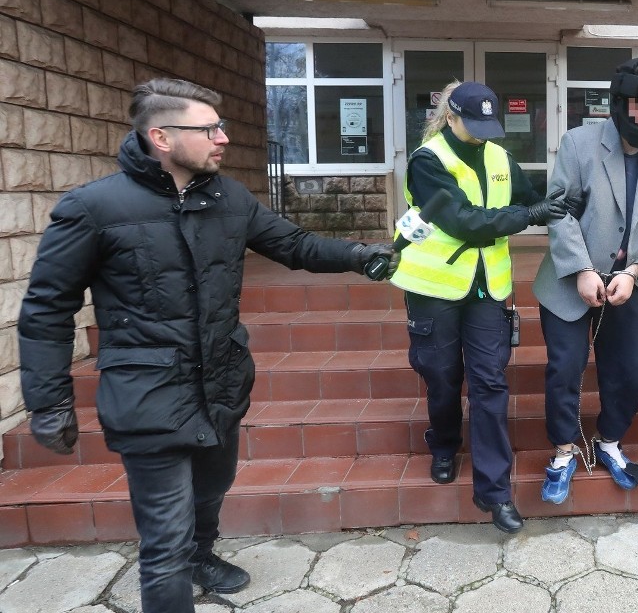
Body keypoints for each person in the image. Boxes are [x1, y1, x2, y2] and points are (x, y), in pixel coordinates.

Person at [17, 78, 398, 613]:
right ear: (162, 137)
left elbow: (292, 245)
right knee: (163, 541)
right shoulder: (93, 207)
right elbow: (46, 307)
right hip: (147, 392)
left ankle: (204, 555)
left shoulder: (229, 197)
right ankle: (181, 568)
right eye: (209, 128)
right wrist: (49, 399)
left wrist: (361, 255)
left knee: (211, 489)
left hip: (220, 381)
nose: (222, 138)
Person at [390, 80, 575, 533]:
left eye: (488, 125)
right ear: (449, 117)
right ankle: (445, 444)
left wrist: (566, 202)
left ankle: (495, 494)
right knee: (442, 376)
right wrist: (529, 216)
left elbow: (533, 198)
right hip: (433, 287)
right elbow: (464, 222)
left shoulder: (498, 157)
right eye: (473, 125)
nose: (483, 134)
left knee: (490, 382)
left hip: (486, 290)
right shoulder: (427, 162)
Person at [532, 55, 638, 504]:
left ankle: (610, 441)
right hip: (567, 281)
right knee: (564, 369)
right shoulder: (579, 144)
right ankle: (563, 450)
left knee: (625, 372)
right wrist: (580, 269)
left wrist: (635, 273)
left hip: (629, 285)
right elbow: (558, 210)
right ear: (621, 102)